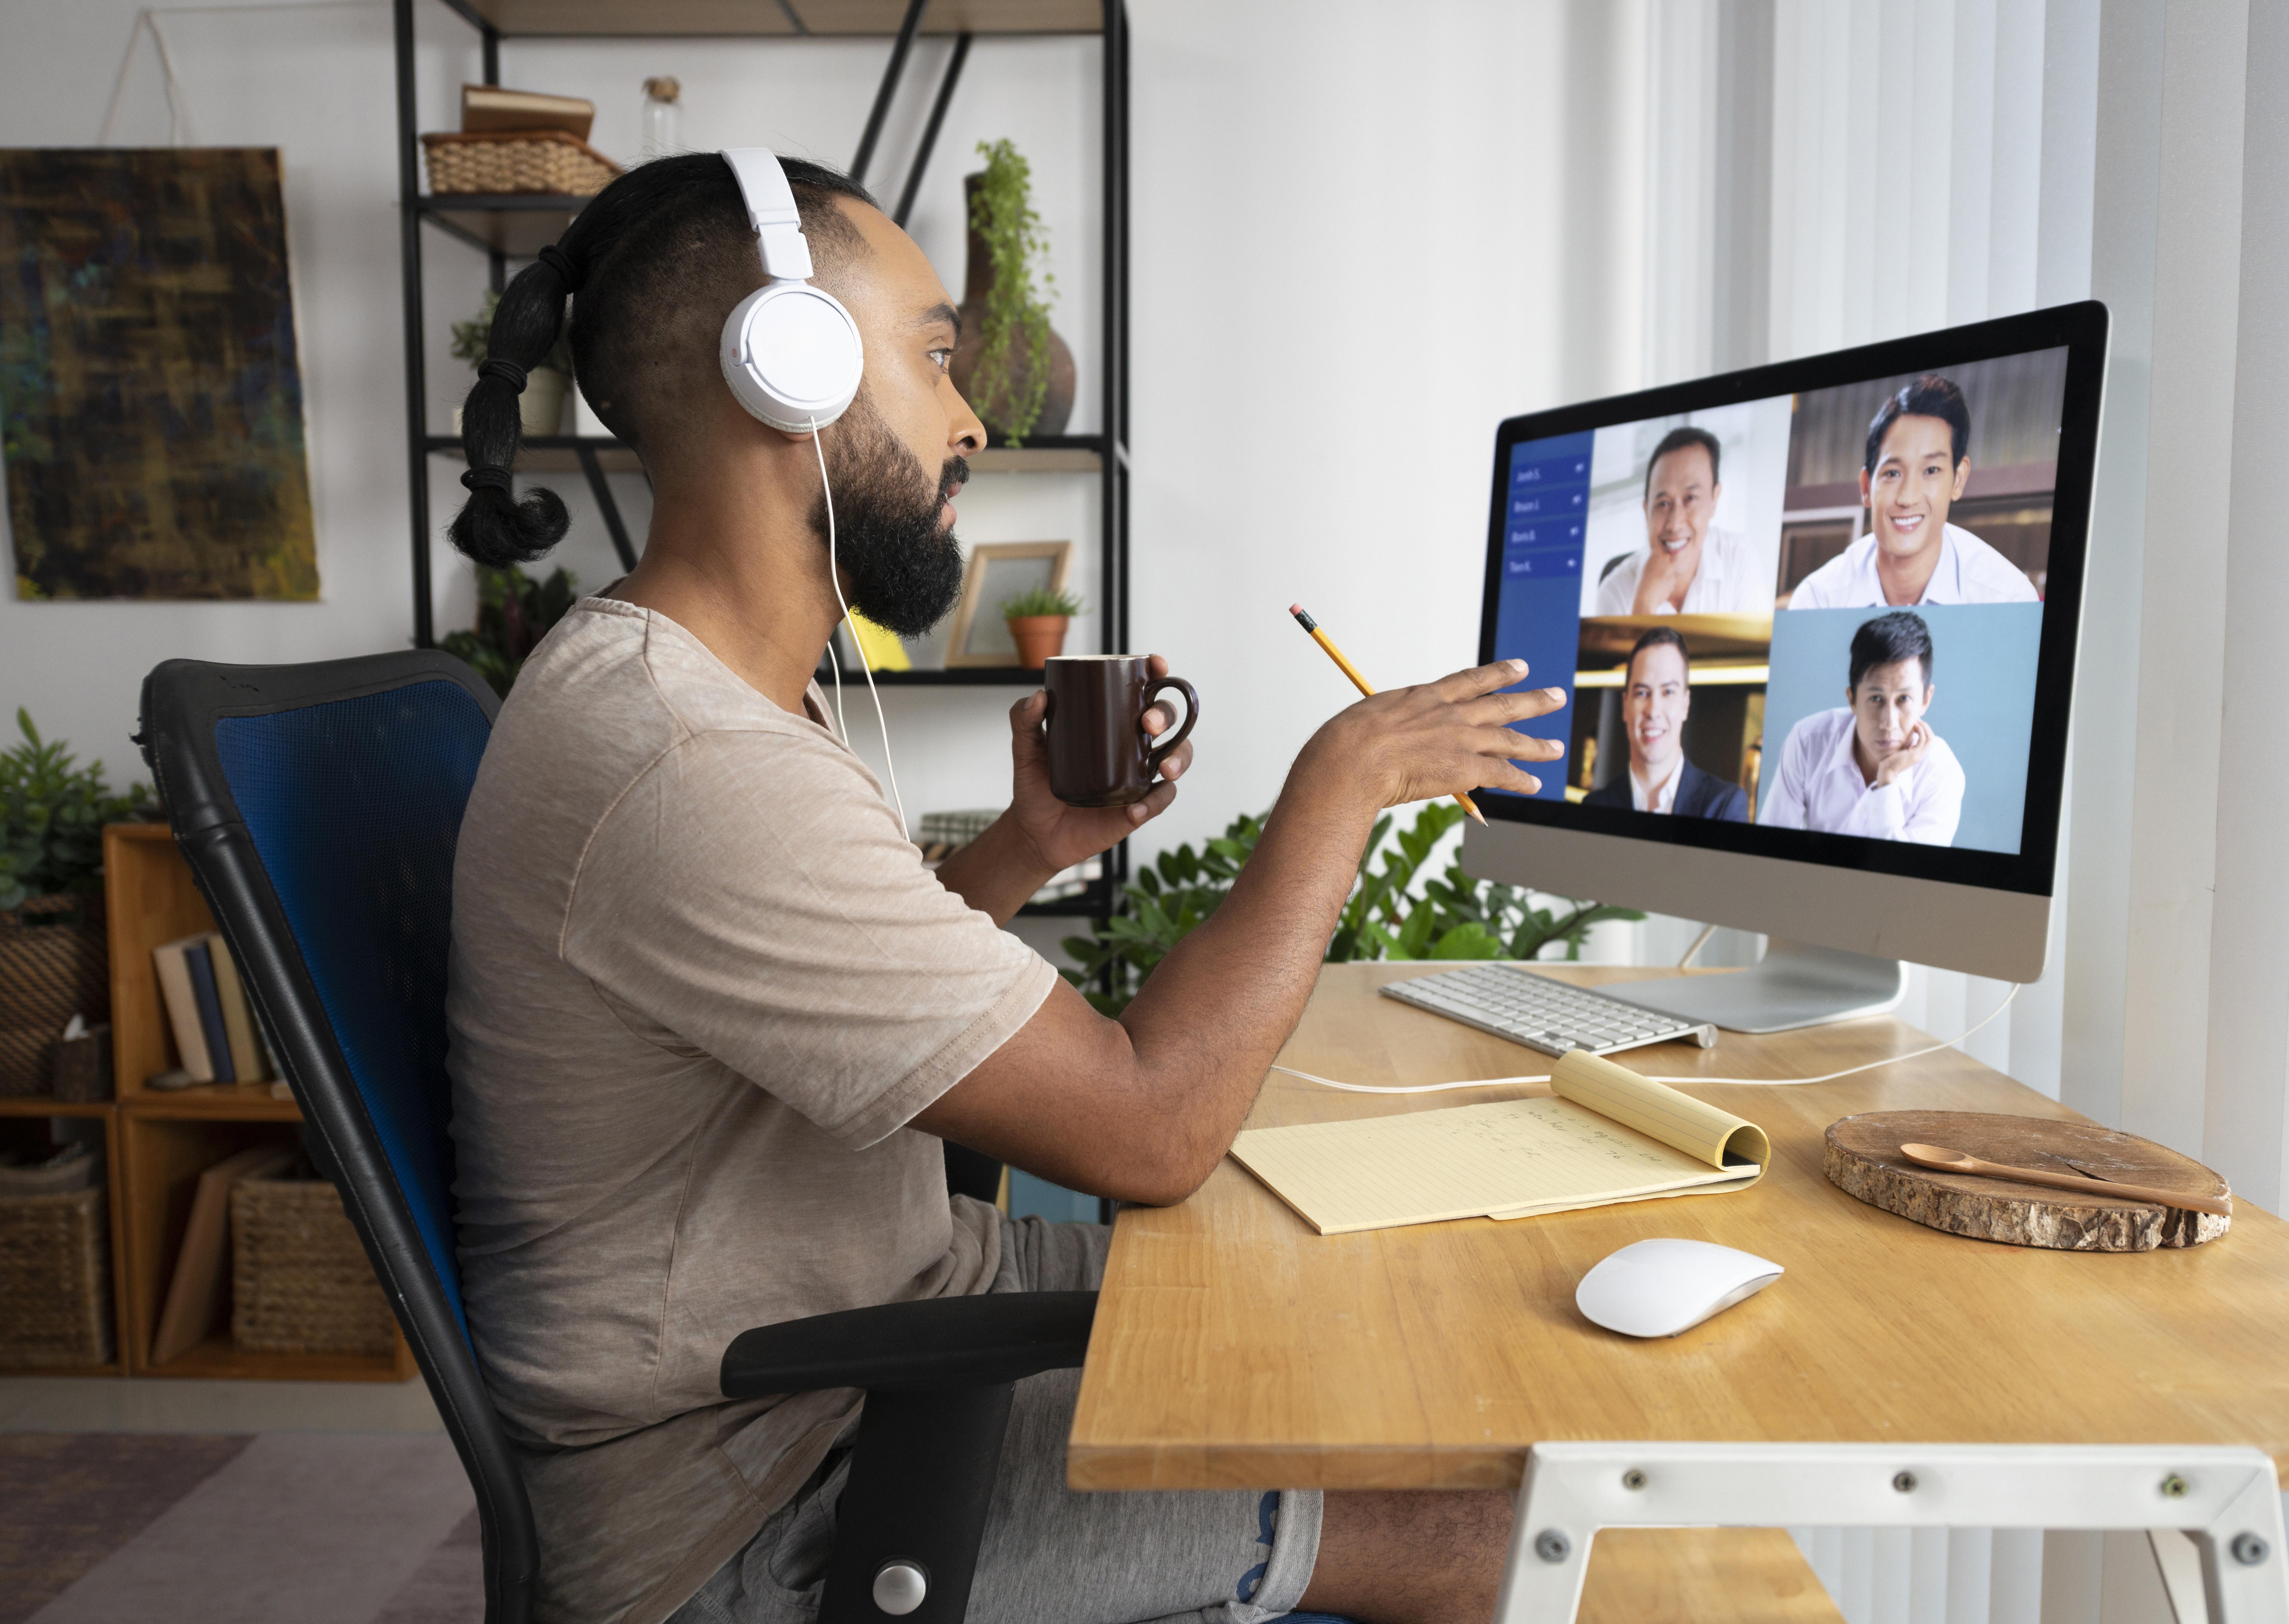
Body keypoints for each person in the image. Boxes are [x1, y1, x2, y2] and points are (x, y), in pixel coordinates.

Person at [441, 154, 1556, 1624]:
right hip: (769, 1487)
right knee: (1501, 1515)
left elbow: (816, 1026)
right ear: (792, 369)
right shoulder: (690, 756)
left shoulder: (698, 692)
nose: (969, 417)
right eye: (933, 354)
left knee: (1394, 1353)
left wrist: (1025, 844)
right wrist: (1338, 787)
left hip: (887, 1328)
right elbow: (1149, 1127)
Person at [1785, 374, 2041, 608]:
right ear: (1866, 487)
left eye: (1931, 471)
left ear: (1958, 480)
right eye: (1892, 473)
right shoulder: (1819, 602)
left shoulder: (2007, 601)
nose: (1908, 498)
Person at [1757, 611, 1963, 844]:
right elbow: (1771, 847)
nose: (1889, 723)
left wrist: (1888, 780)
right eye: (1876, 699)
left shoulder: (1941, 773)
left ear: (1926, 700)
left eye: (1904, 699)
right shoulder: (1808, 741)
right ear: (1853, 699)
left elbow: (1907, 876)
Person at [1589, 425, 1769, 615]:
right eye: (1663, 504)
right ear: (1646, 511)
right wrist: (1644, 604)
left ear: (1714, 500)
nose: (1675, 525)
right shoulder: (1614, 591)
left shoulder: (1740, 559)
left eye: (1690, 499)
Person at [1581, 627, 1748, 819]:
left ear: (1686, 704)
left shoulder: (1723, 806)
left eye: (1668, 692)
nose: (1653, 711)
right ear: (1625, 706)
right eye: (1642, 693)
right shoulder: (1594, 806)